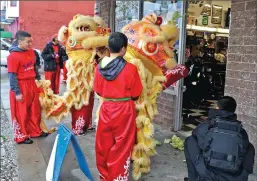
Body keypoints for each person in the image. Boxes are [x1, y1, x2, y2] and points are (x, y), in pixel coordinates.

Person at [93, 32, 143, 181]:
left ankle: (105, 174)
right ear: (123, 49)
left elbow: (97, 89)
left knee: (104, 143)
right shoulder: (131, 68)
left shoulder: (99, 67)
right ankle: (117, 176)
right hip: (125, 109)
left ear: (109, 47)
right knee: (122, 144)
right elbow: (136, 92)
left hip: (107, 107)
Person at [184, 96, 255, 181]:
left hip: (208, 173)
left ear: (218, 108)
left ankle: (193, 179)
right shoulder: (241, 132)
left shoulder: (208, 126)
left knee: (190, 140)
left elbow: (197, 137)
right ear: (233, 111)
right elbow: (248, 165)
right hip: (234, 177)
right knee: (249, 147)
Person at [7, 31, 48, 144]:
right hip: (21, 85)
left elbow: (34, 67)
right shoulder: (13, 56)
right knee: (22, 112)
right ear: (20, 41)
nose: (30, 44)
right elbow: (12, 76)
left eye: (31, 41)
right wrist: (17, 92)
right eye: (28, 42)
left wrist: (38, 79)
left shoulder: (31, 52)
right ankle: (22, 136)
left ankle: (35, 131)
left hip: (31, 84)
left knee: (35, 109)